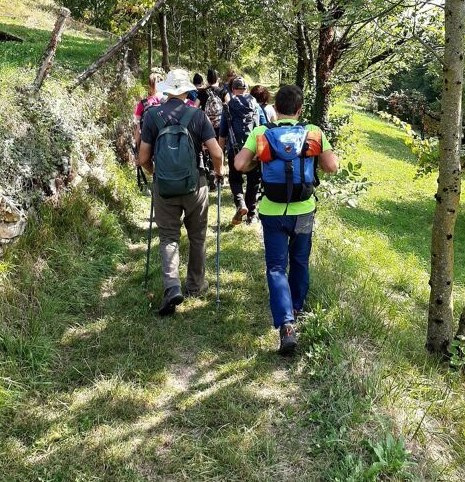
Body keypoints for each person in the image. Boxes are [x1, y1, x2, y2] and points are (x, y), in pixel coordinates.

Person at [234, 84, 338, 355]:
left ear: (275, 109)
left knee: (277, 267)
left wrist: (260, 161)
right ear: (299, 109)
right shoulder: (313, 132)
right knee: (300, 261)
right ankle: (295, 308)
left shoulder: (261, 132)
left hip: (272, 211)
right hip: (303, 211)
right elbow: (332, 167)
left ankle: (286, 325)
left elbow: (239, 165)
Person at [138, 68, 225, 316]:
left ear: (167, 89)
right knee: (197, 235)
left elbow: (142, 157)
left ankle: (172, 286)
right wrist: (219, 172)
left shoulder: (152, 115)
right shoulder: (197, 115)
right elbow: (216, 153)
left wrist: (155, 172)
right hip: (195, 184)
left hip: (164, 186)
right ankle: (196, 285)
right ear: (187, 90)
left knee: (168, 237)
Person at [218, 76, 266, 225]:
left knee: (235, 178)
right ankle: (251, 214)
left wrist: (221, 158)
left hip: (234, 150)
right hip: (253, 151)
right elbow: (265, 127)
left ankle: (240, 204)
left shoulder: (228, 106)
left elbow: (222, 134)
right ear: (246, 89)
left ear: (232, 90)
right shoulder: (256, 106)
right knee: (253, 181)